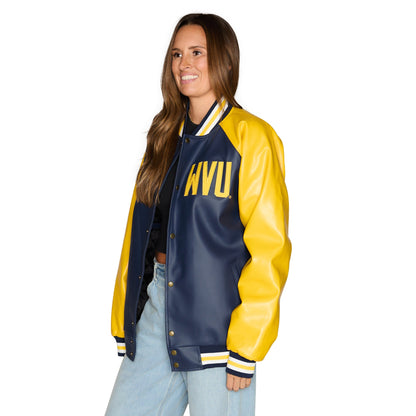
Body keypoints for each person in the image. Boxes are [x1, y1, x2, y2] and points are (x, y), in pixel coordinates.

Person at [105, 13, 291, 416]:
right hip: (159, 309)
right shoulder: (163, 138)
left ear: (223, 58)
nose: (183, 64)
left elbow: (270, 248)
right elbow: (138, 234)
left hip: (218, 327)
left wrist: (247, 343)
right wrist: (126, 316)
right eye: (176, 54)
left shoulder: (252, 137)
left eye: (196, 52)